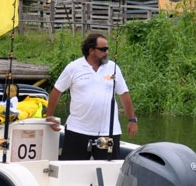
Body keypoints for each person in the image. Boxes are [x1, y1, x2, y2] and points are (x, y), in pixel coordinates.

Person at [46, 33, 139, 161]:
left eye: (107, 49)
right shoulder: (74, 67)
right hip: (77, 130)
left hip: (108, 132)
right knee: (72, 171)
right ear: (91, 51)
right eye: (103, 49)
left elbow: (123, 93)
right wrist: (49, 116)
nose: (107, 52)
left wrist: (132, 120)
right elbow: (57, 91)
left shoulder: (113, 68)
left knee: (108, 172)